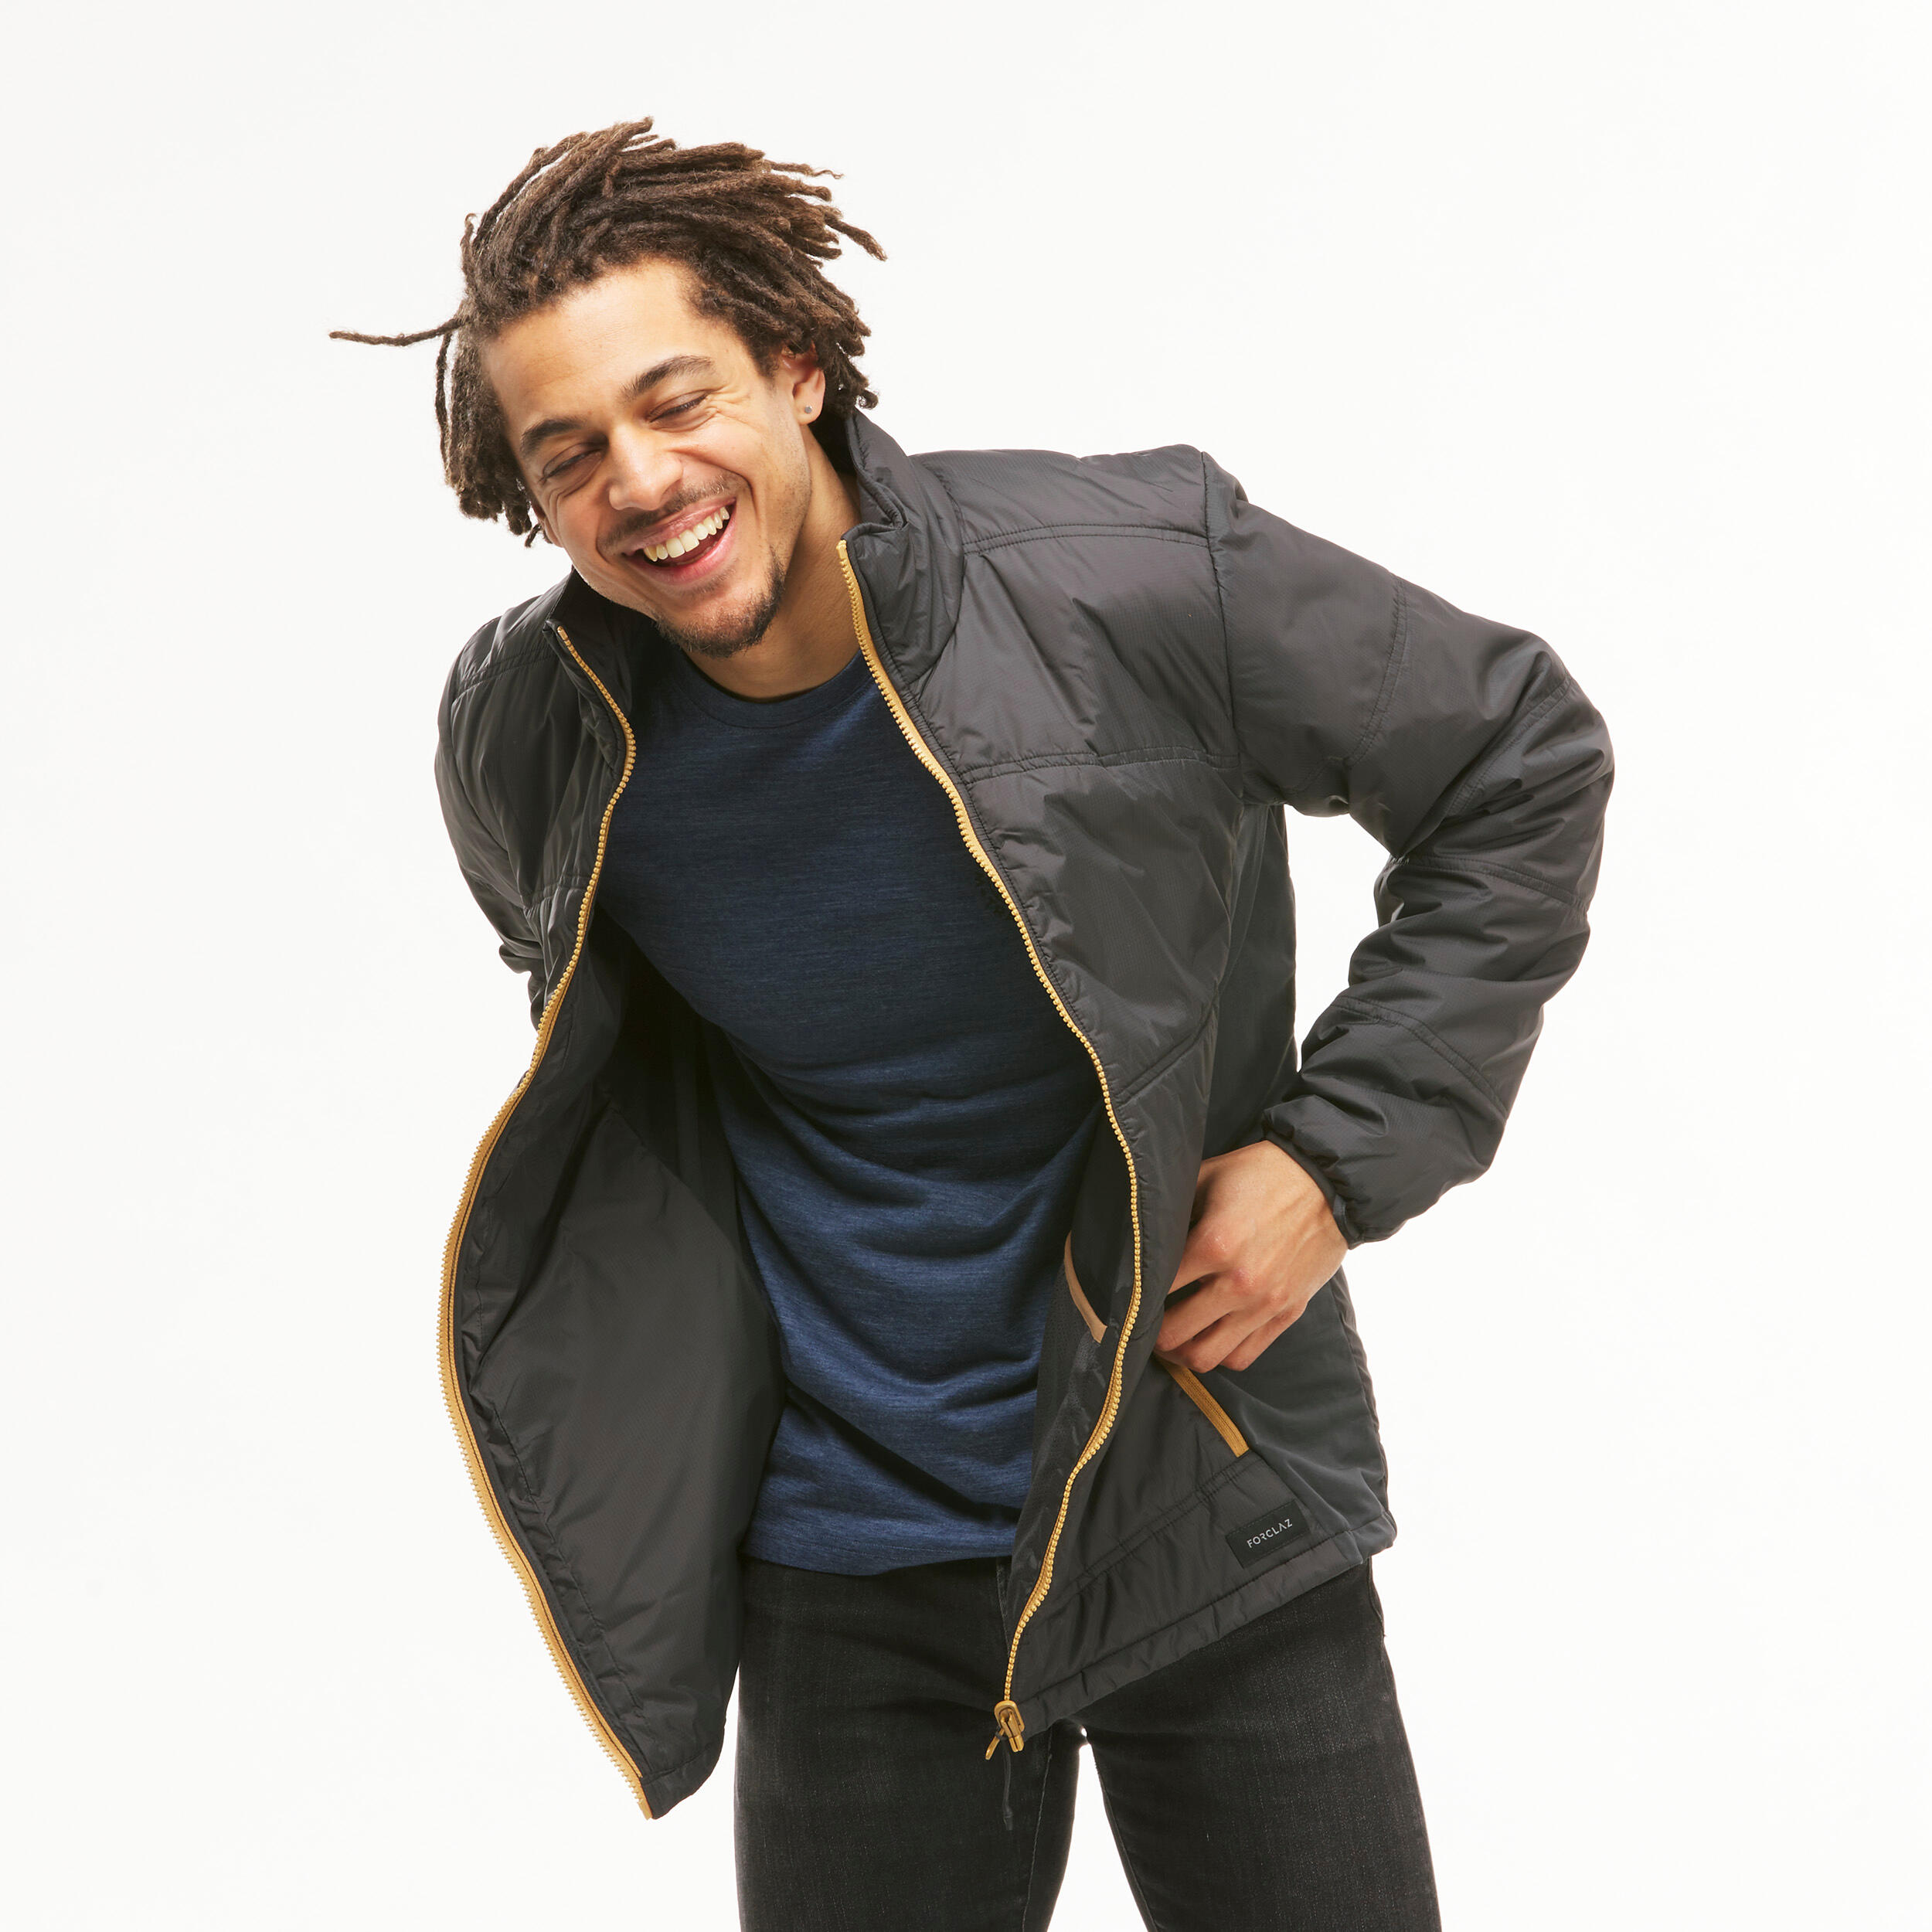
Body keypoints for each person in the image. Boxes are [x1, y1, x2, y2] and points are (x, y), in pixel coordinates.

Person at [337, 118, 1611, 1931]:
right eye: (571, 453)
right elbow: (614, 1055)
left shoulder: (1126, 574)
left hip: (1202, 1479)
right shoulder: (528, 734)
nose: (640, 478)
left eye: (676, 399)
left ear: (795, 365)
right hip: (843, 1565)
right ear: (529, 499)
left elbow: (1514, 756)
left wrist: (1332, 1162)